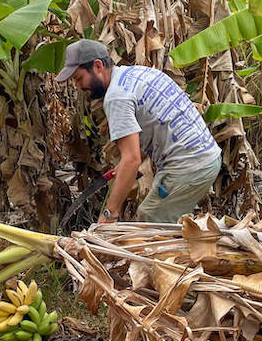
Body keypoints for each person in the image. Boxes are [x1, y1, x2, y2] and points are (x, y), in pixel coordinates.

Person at [56, 39, 222, 224]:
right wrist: (124, 167)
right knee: (162, 219)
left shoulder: (116, 97)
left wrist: (109, 214)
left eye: (79, 78)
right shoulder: (138, 73)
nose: (78, 87)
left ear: (97, 66)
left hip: (190, 167)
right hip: (209, 156)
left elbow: (132, 159)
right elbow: (156, 125)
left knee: (150, 218)